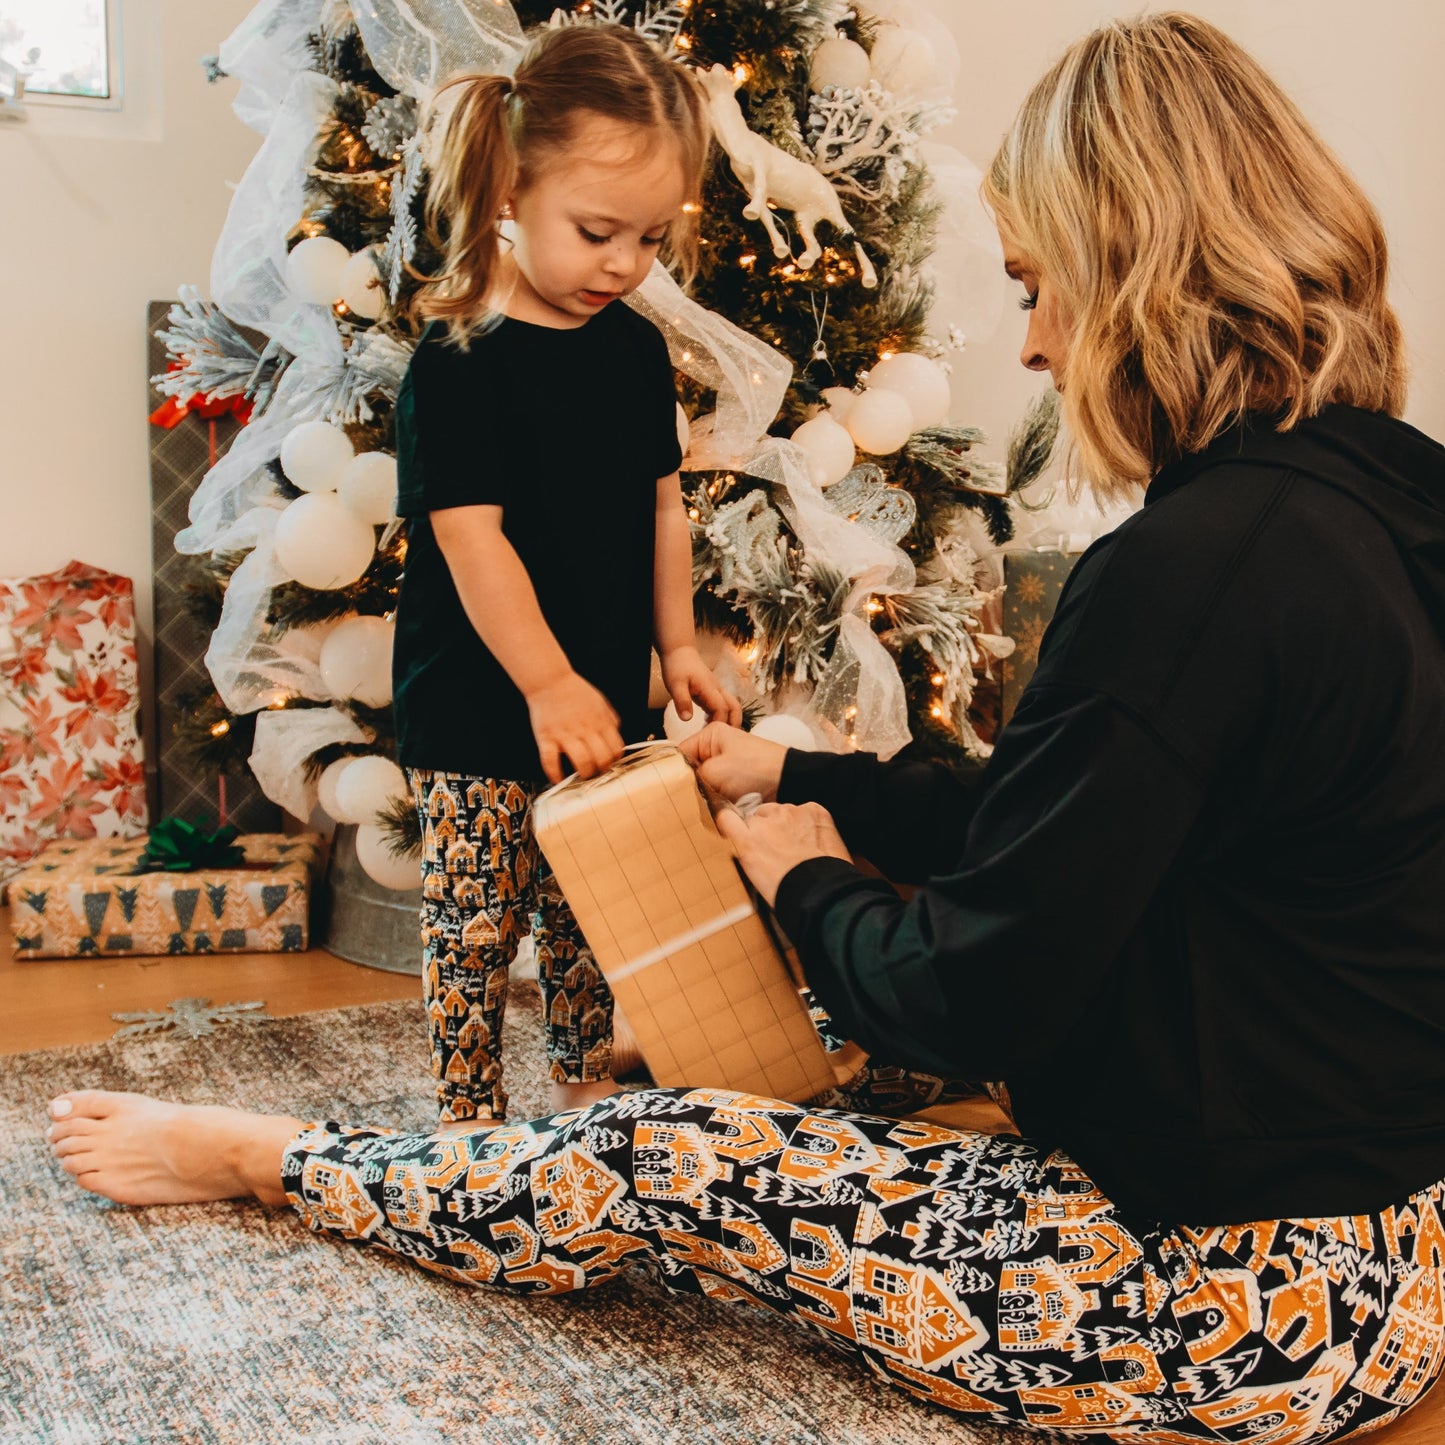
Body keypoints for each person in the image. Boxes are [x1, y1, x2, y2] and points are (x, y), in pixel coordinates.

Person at [45, 14, 1445, 1440]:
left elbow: (971, 989)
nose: (1030, 342)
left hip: (1224, 1307)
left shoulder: (1194, 571)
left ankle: (280, 1156)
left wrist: (801, 874)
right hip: (1395, 1256)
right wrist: (795, 771)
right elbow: (1059, 816)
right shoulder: (1383, 502)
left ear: (1133, 266)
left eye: (1038, 286)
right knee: (811, 1022)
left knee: (662, 1151)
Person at [389, 24, 739, 1125]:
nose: (626, 264)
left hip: (598, 686)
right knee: (479, 917)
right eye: (597, 232)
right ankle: (467, 1105)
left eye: (650, 237)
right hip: (478, 699)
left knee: (589, 903)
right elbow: (469, 539)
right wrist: (545, 682)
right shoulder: (458, 361)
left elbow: (659, 508)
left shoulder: (634, 350)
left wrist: (676, 647)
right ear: (508, 187)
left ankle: (587, 1076)